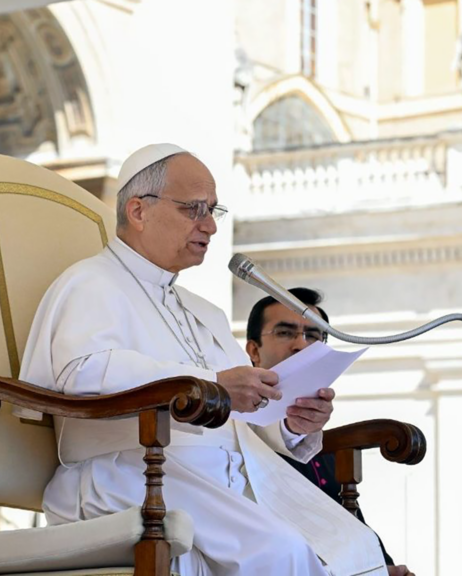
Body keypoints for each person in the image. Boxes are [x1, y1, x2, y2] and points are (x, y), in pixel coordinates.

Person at [19, 143, 387, 575]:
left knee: (355, 548)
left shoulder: (203, 311)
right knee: (282, 553)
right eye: (193, 209)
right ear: (138, 211)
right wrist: (211, 383)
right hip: (132, 471)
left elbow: (246, 415)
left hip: (222, 480)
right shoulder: (89, 283)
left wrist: (292, 422)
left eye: (213, 211)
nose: (209, 226)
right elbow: (80, 374)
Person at [245, 289, 415, 576]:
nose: (301, 344)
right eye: (285, 333)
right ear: (254, 351)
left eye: (313, 336)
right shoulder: (235, 426)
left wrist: (382, 565)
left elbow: (344, 521)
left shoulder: (329, 448)